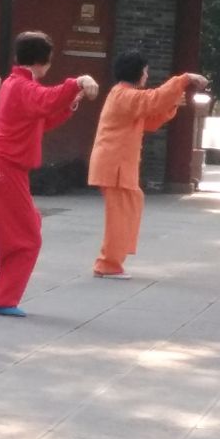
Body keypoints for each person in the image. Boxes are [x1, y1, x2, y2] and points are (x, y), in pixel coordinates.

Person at [0, 31, 99, 316]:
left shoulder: (15, 84)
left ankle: (1, 295)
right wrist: (77, 82)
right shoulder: (22, 86)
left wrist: (72, 98)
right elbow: (47, 100)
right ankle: (1, 298)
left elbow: (42, 118)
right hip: (4, 168)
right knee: (27, 238)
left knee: (23, 229)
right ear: (44, 61)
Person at [87, 51, 207, 279]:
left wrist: (171, 105)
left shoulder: (123, 95)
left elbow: (148, 120)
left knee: (129, 206)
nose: (146, 75)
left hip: (116, 164)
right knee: (119, 216)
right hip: (115, 165)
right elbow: (153, 100)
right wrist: (184, 79)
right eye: (145, 71)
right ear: (138, 73)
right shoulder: (124, 95)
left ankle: (111, 260)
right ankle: (108, 264)